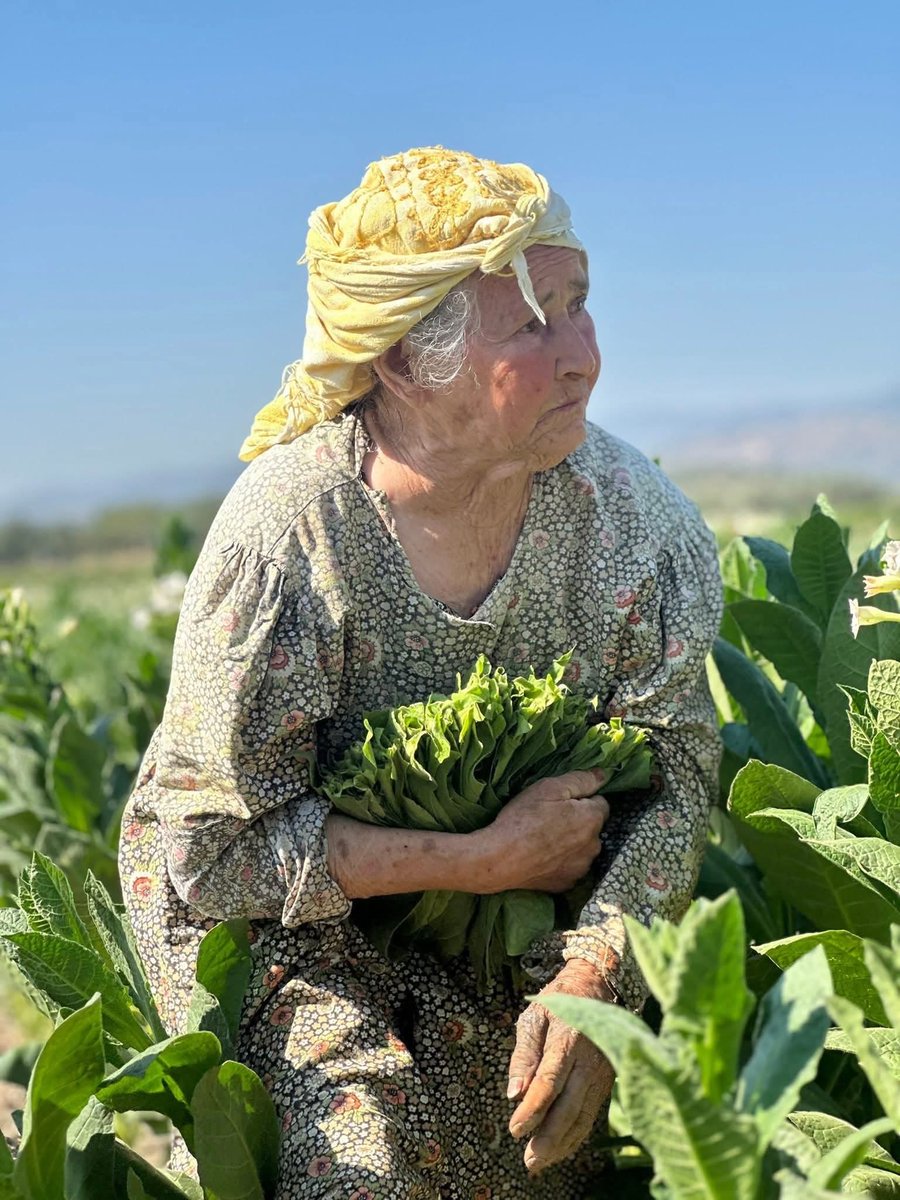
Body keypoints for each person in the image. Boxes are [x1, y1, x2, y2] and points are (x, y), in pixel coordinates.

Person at [120, 146, 722, 1200]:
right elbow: (211, 861)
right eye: (533, 325)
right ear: (404, 360)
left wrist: (594, 979)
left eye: (579, 306)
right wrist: (481, 857)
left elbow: (671, 785)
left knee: (543, 1139)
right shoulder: (287, 545)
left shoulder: (634, 524)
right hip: (284, 931)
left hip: (526, 924)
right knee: (359, 1163)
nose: (583, 356)